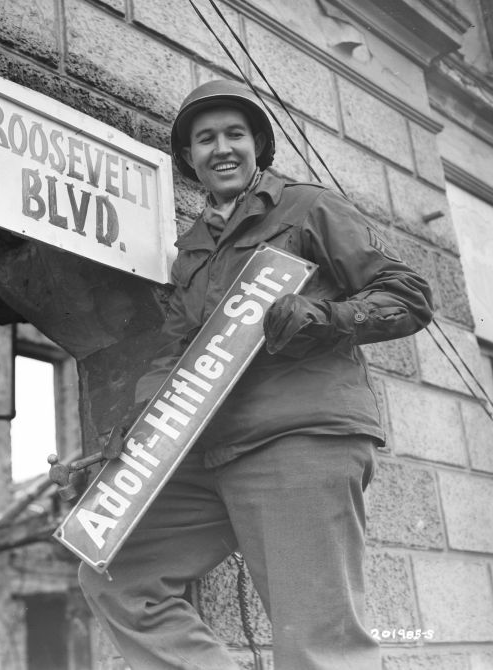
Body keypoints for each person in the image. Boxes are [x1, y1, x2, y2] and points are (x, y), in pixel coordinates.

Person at [77, 79, 434, 670]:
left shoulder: (306, 206)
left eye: (235, 135)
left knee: (318, 645)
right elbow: (174, 353)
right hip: (209, 452)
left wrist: (326, 316)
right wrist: (134, 427)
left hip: (298, 439)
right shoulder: (191, 253)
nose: (222, 148)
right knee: (115, 570)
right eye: (205, 139)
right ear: (188, 158)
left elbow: (409, 293)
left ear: (258, 146)